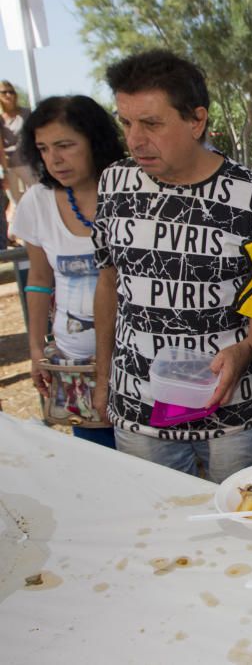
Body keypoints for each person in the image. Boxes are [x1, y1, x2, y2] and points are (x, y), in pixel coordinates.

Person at [91, 50, 252, 482]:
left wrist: (244, 350)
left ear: (196, 121)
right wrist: (104, 378)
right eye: (126, 123)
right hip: (138, 402)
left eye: (152, 123)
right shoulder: (114, 185)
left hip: (233, 412)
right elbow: (108, 283)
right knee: (155, 528)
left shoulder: (251, 198)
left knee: (241, 529)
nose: (135, 139)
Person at [12, 96, 126, 448]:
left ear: (95, 140)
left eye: (65, 145)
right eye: (44, 149)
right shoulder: (38, 201)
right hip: (76, 368)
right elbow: (39, 281)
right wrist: (36, 350)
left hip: (136, 368)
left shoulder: (130, 191)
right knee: (99, 465)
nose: (55, 159)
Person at [1, 80, 37, 206]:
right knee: (17, 203)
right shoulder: (0, 119)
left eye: (11, 92)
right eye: (4, 92)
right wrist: (4, 171)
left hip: (27, 162)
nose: (8, 95)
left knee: (37, 195)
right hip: (8, 165)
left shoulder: (26, 113)